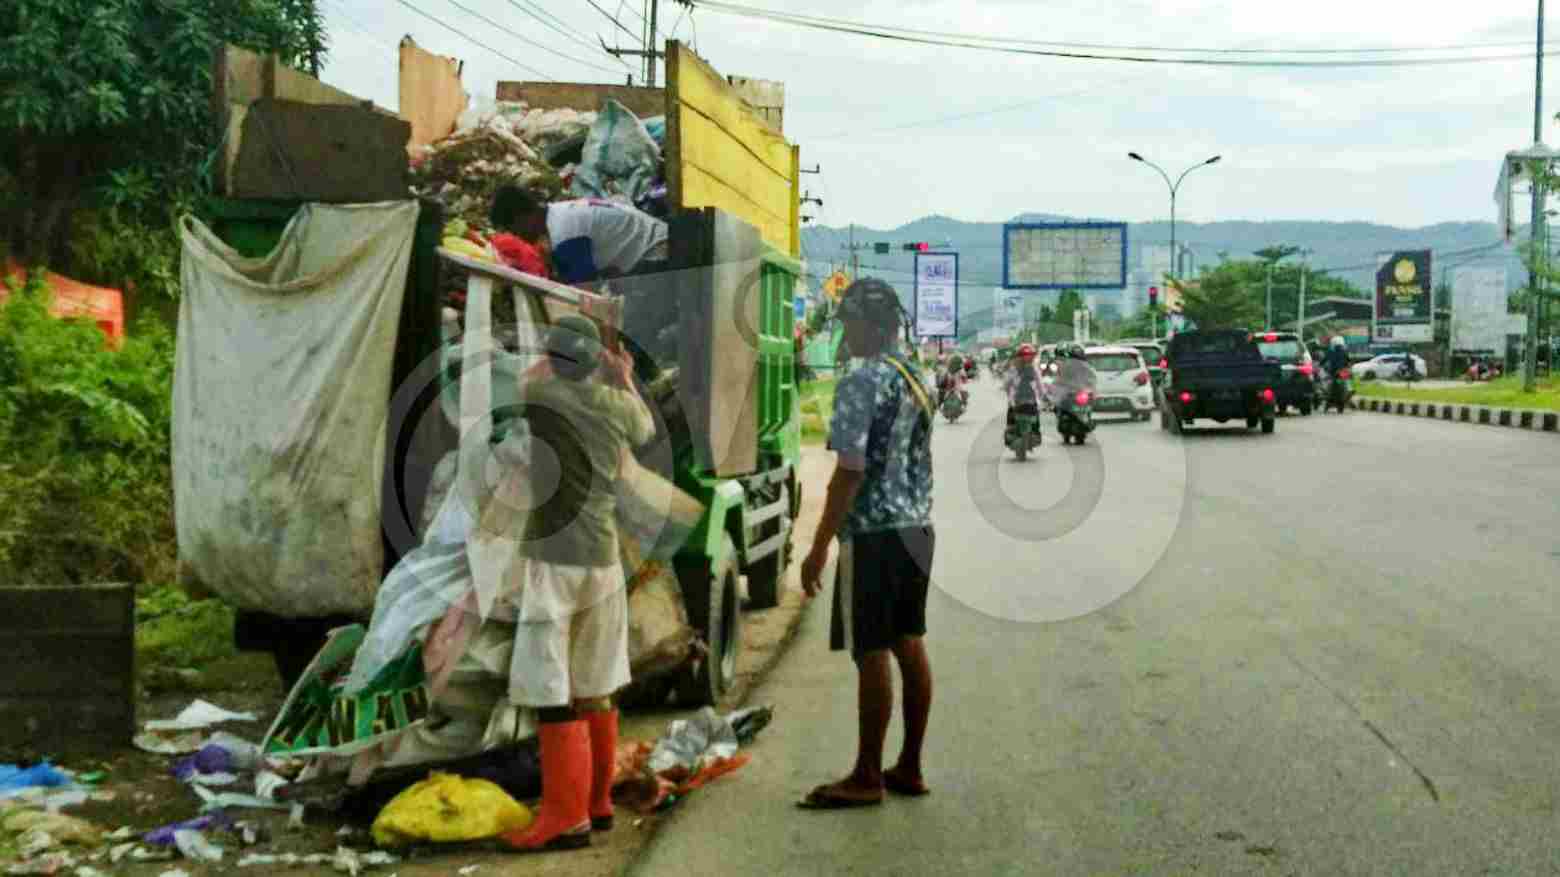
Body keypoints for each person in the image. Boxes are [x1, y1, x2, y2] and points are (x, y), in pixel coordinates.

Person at [496, 315, 657, 854]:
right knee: (596, 687)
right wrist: (622, 375)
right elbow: (647, 430)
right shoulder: (617, 408)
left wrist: (552, 353)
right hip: (604, 563)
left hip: (555, 563)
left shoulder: (546, 397)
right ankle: (598, 803)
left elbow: (526, 381)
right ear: (594, 364)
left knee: (551, 693)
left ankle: (564, 818)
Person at [798, 277, 936, 809]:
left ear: (867, 325)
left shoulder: (863, 378)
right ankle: (909, 766)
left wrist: (817, 547)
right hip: (918, 528)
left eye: (848, 324)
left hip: (874, 534)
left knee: (871, 648)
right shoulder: (917, 375)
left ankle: (866, 776)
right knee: (910, 641)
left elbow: (849, 471)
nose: (844, 334)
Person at [490, 186, 668, 285]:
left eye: (514, 230)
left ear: (524, 218)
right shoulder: (559, 213)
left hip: (658, 253)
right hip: (656, 238)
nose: (518, 237)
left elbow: (583, 288)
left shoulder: (564, 232)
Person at [1004, 343, 1044, 428]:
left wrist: (1042, 396)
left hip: (1030, 400)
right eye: (1025, 355)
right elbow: (1008, 384)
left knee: (1035, 419)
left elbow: (1040, 384)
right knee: (1011, 415)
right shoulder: (1014, 369)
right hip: (1018, 400)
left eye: (1029, 356)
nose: (1027, 358)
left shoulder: (1034, 369)